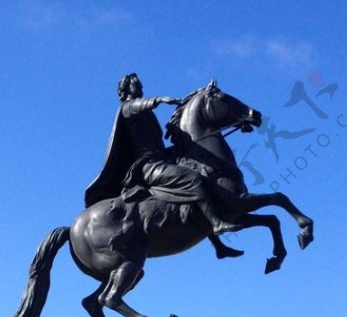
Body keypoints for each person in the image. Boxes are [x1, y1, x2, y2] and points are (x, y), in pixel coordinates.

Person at [84, 73, 244, 259]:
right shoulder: (127, 108)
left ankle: (219, 246)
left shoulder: (146, 113)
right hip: (149, 166)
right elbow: (138, 105)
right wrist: (159, 100)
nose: (140, 86)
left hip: (161, 158)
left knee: (203, 176)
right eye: (136, 84)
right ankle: (216, 223)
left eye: (141, 84)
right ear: (126, 89)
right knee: (193, 180)